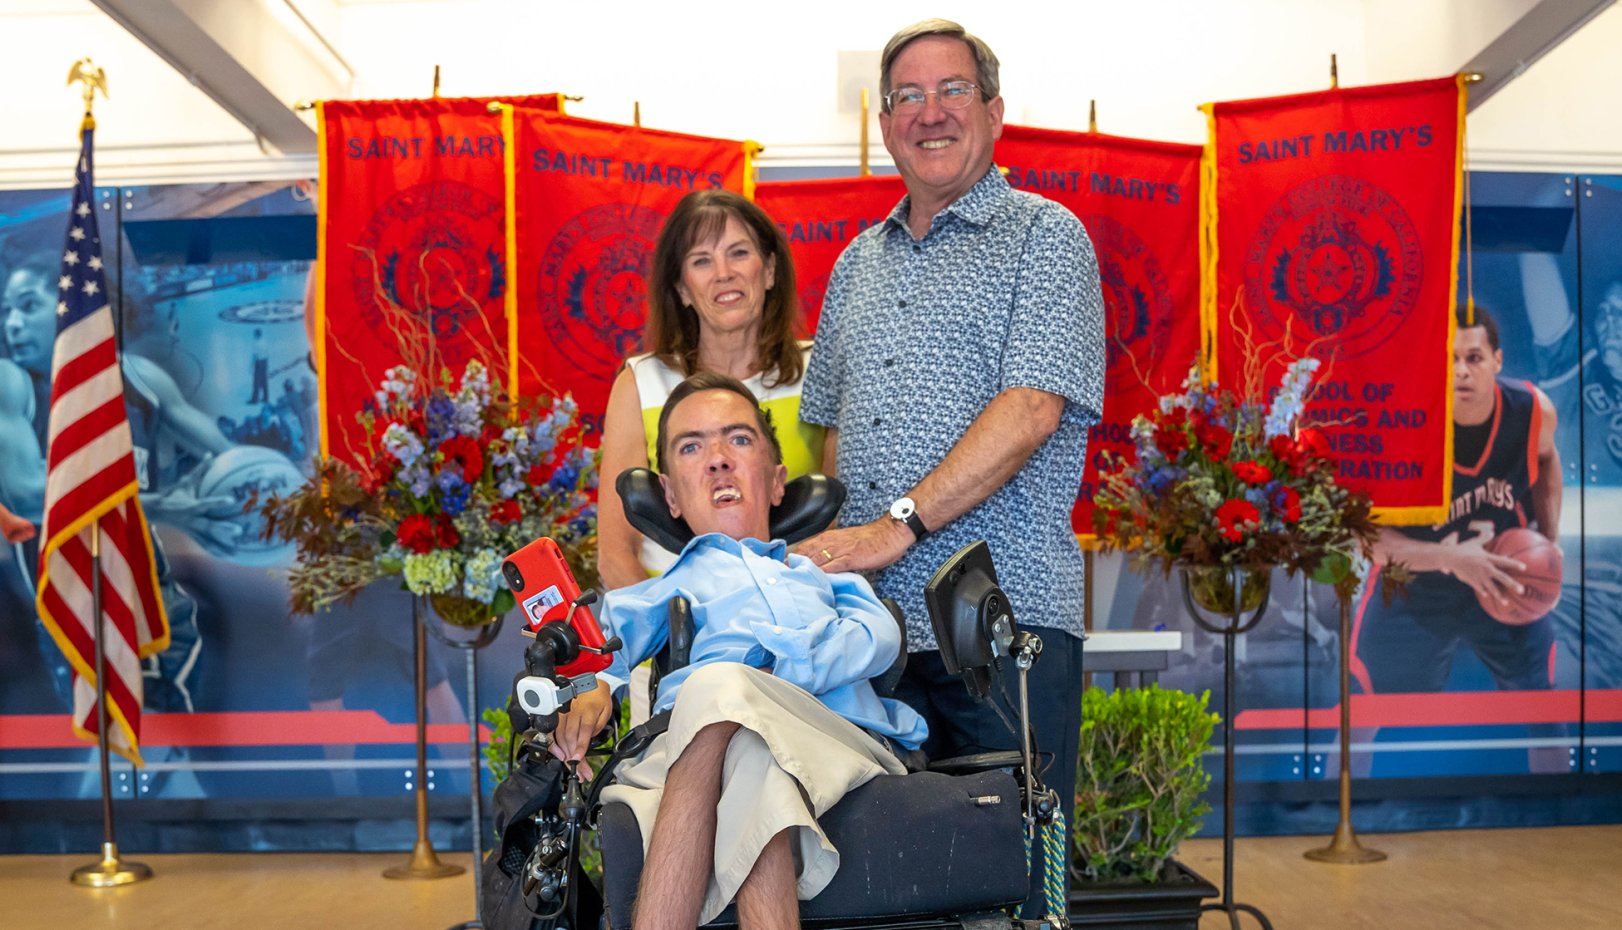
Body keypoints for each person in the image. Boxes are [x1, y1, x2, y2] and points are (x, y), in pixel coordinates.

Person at [793, 18, 1105, 879]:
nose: (929, 113)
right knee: (869, 877)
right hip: (868, 641)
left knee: (1009, 875)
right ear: (886, 123)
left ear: (996, 112)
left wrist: (897, 526)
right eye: (907, 97)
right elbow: (829, 440)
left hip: (1001, 629)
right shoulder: (857, 262)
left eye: (952, 91)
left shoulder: (1047, 237)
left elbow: (1032, 409)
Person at [553, 372, 925, 930]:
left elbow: (880, 638)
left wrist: (777, 668)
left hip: (831, 735)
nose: (719, 459)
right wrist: (591, 691)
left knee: (720, 684)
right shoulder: (668, 585)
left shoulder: (819, 574)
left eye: (739, 439)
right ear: (671, 495)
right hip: (714, 746)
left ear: (777, 482)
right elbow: (607, 649)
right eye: (692, 446)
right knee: (750, 753)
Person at [1353, 306, 1565, 772]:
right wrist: (1450, 559)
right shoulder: (1399, 423)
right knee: (1362, 713)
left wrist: (1548, 537)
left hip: (1509, 580)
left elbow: (1548, 460)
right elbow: (1372, 540)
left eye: (1474, 357)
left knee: (1546, 712)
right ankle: (1327, 815)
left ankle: (1564, 815)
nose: (1461, 371)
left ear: (1497, 361)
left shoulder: (1532, 412)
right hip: (1414, 588)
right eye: (1449, 359)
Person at [597, 190, 824, 590]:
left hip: (798, 628)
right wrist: (668, 636)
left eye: (738, 253)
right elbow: (615, 555)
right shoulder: (641, 384)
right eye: (702, 261)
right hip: (673, 636)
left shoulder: (820, 370)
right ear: (682, 289)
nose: (723, 273)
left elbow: (841, 523)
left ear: (769, 270)